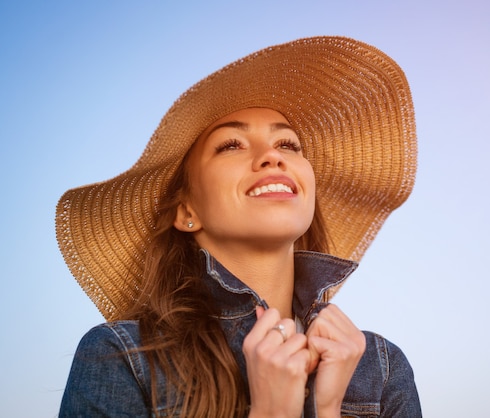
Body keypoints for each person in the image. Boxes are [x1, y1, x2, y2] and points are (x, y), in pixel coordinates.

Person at [56, 36, 421, 417]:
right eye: (231, 144)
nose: (272, 157)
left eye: (289, 144)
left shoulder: (380, 369)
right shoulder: (122, 358)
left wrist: (327, 409)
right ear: (186, 210)